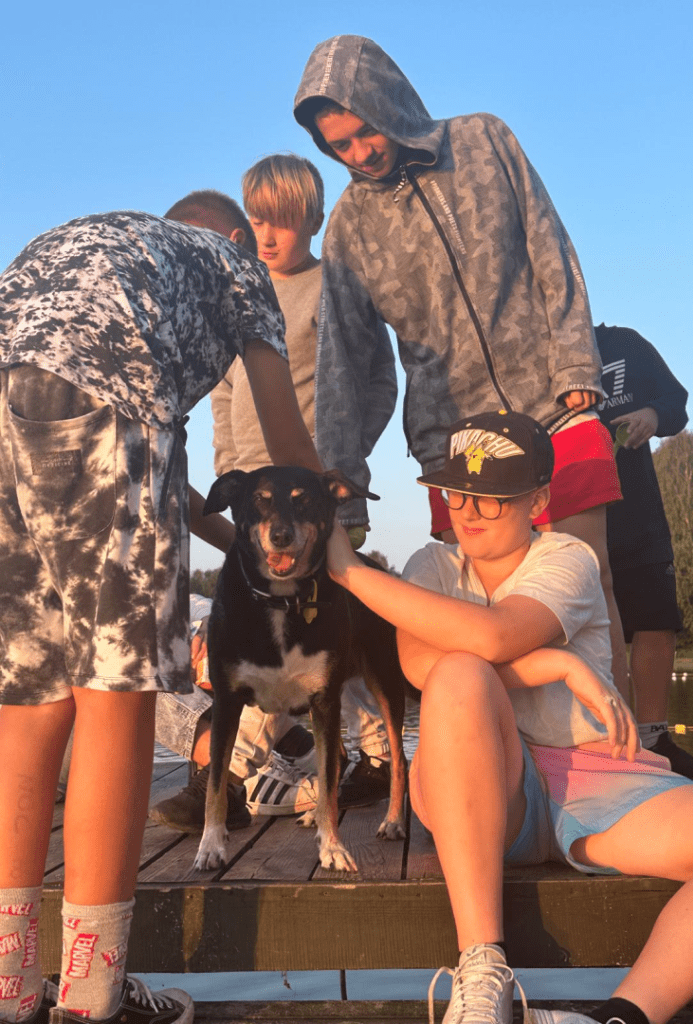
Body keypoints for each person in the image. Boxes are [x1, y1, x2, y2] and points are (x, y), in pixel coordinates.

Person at [324, 409, 693, 1024]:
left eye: (492, 496)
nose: (468, 511)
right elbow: (421, 665)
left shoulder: (567, 558)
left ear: (536, 501)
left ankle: (618, 1018)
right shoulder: (432, 566)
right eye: (456, 492)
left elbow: (496, 634)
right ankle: (483, 973)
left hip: (591, 778)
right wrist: (555, 665)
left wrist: (348, 571)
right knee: (457, 675)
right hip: (478, 791)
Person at [0, 196, 322, 1024]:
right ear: (235, 238)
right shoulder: (237, 266)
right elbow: (288, 441)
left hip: (8, 397)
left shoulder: (111, 246)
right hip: (107, 397)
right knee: (118, 695)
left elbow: (158, 488)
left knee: (30, 704)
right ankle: (93, 999)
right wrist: (337, 546)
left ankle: (9, 990)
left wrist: (237, 546)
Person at [293, 35, 629, 698]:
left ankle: (618, 737)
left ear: (391, 101)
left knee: (592, 577)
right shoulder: (348, 228)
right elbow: (347, 365)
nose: (359, 154)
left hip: (555, 402)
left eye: (366, 131)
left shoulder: (483, 140)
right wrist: (345, 478)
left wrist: (574, 360)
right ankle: (510, 747)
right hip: (456, 441)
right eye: (340, 146)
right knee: (479, 605)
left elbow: (550, 244)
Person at [150, 164, 393, 832]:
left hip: (316, 497)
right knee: (261, 632)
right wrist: (228, 470)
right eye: (257, 219)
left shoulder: (335, 288)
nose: (267, 234)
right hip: (254, 502)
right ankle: (275, 765)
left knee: (329, 629)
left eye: (282, 220)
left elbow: (379, 375)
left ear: (313, 220)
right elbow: (225, 392)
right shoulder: (235, 293)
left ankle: (236, 776)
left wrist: (347, 455)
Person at [595, 323, 693, 785]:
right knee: (587, 626)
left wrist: (652, 413)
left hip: (638, 511)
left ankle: (653, 740)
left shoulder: (623, 344)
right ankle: (606, 743)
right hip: (568, 513)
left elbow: (675, 402)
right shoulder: (533, 353)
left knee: (654, 619)